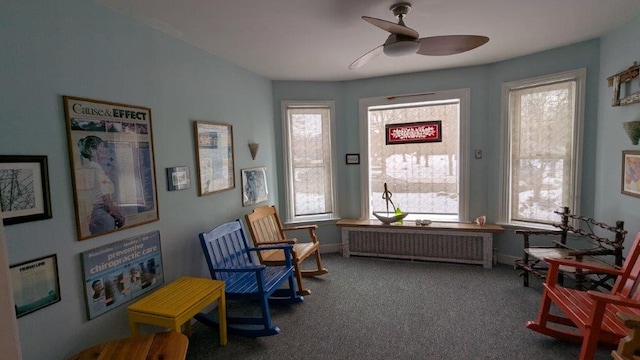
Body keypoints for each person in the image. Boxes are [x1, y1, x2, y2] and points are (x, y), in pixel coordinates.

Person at [77, 135, 125, 234]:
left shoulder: (89, 168)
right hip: (103, 216)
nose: (104, 150)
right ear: (93, 150)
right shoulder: (96, 170)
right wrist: (120, 217)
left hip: (93, 216)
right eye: (101, 147)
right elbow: (106, 201)